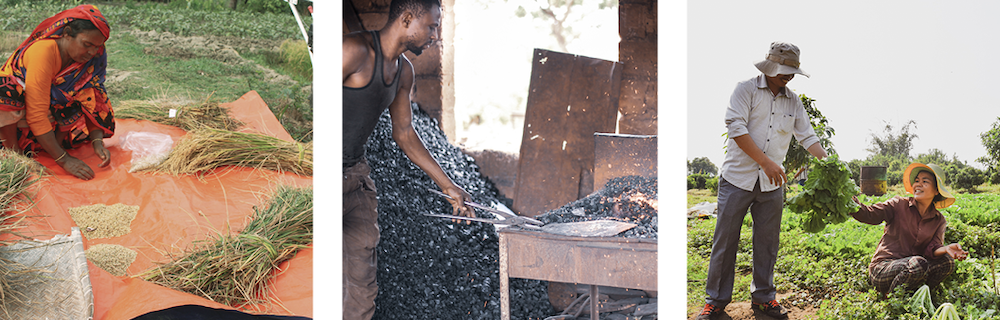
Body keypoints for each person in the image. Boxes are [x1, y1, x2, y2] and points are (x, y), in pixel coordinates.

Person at [342, 0, 473, 319]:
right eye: (431, 26)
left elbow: (404, 133)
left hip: (356, 175)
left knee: (362, 273)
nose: (435, 35)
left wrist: (449, 186)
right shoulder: (353, 51)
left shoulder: (403, 72)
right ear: (407, 19)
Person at [698, 42, 828, 320]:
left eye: (792, 71)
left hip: (771, 185)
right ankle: (716, 302)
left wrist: (831, 165)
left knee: (768, 243)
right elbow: (736, 128)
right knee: (726, 241)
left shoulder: (793, 101)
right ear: (770, 67)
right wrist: (766, 162)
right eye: (784, 70)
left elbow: (808, 137)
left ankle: (764, 298)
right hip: (737, 179)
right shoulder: (745, 90)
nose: (788, 76)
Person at [0, 4, 115, 181]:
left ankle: (50, 146)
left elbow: (94, 99)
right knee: (5, 91)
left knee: (79, 97)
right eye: (87, 45)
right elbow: (36, 114)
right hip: (16, 116)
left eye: (97, 47)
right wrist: (64, 160)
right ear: (67, 34)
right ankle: (14, 152)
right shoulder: (44, 52)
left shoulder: (90, 58)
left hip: (44, 119)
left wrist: (97, 142)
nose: (92, 52)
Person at [852, 163, 968, 296]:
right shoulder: (898, 204)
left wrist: (946, 249)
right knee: (917, 264)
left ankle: (918, 294)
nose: (918, 184)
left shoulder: (938, 220)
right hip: (884, 269)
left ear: (936, 190)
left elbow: (932, 248)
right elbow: (870, 214)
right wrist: (851, 202)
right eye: (917, 181)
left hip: (914, 268)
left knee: (947, 262)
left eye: (925, 181)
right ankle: (892, 301)